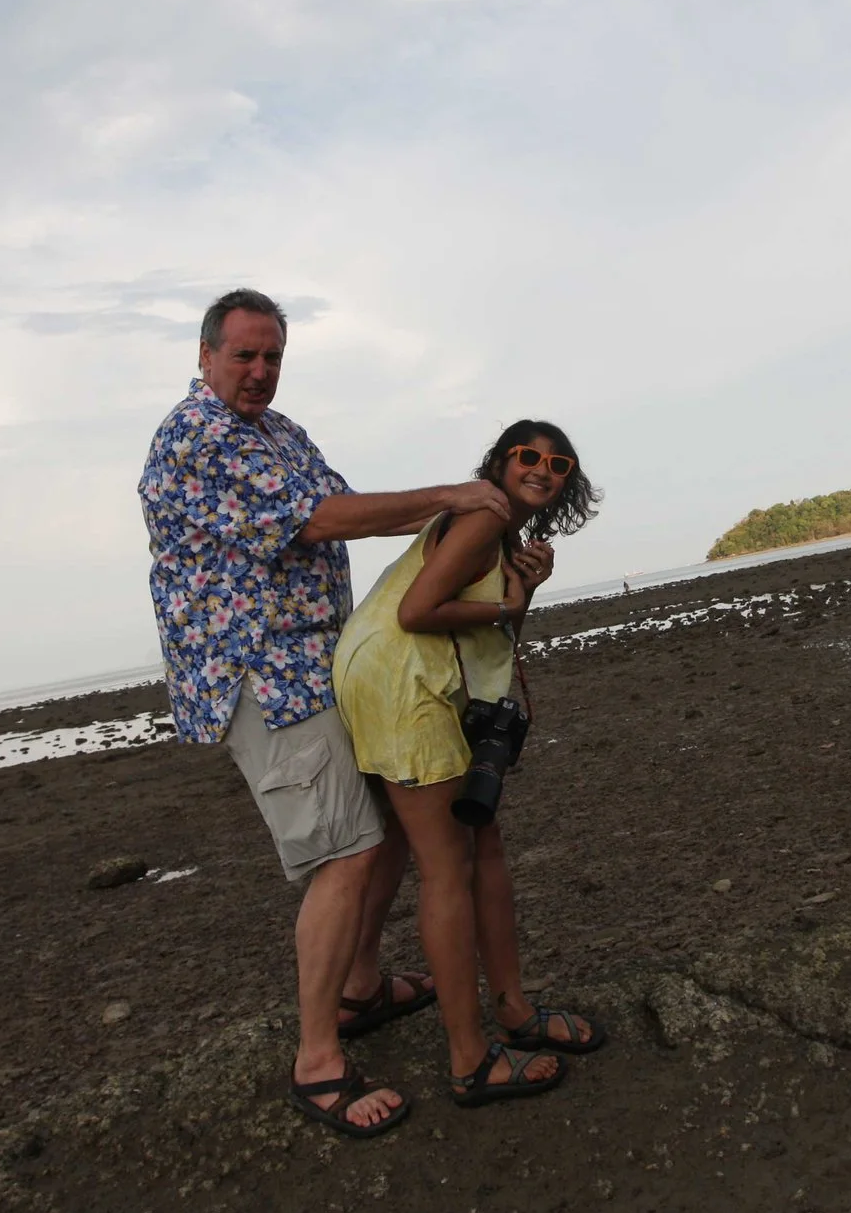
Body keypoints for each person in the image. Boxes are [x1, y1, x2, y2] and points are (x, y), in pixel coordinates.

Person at [137, 288, 514, 1138]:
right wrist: (455, 498)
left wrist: (465, 527)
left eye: (272, 356)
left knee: (378, 818)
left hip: (317, 666)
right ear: (204, 357)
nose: (261, 371)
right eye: (244, 356)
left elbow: (348, 512)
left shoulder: (279, 433)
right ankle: (317, 1061)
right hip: (261, 674)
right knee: (343, 853)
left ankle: (360, 988)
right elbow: (321, 519)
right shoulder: (198, 437)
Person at [334, 420, 607, 1106]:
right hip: (405, 686)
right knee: (449, 864)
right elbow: (420, 611)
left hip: (388, 679)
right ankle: (470, 1057)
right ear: (500, 461)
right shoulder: (482, 517)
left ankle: (512, 1008)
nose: (542, 468)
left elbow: (490, 623)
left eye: (558, 462)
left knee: (481, 844)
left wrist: (525, 591)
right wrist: (509, 603)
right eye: (528, 455)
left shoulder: (499, 531)